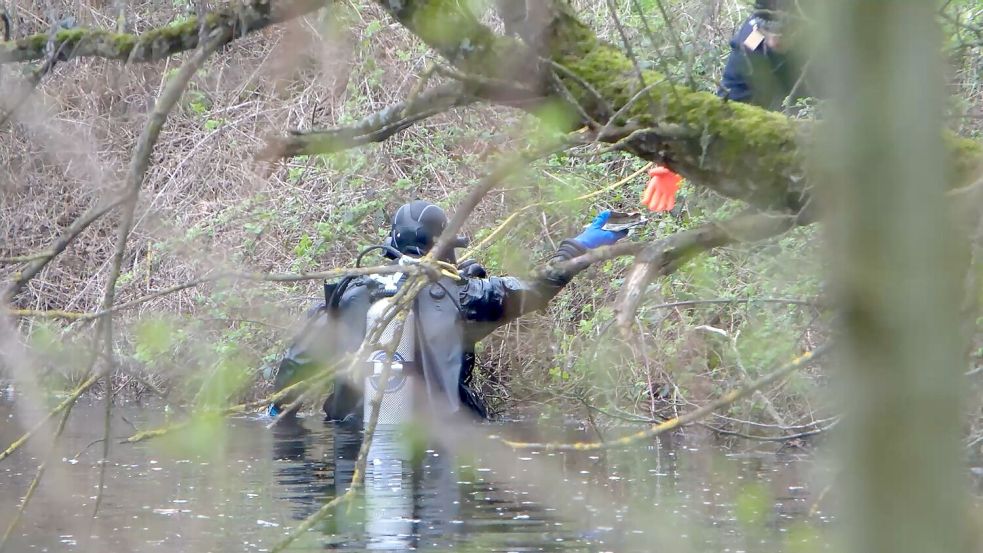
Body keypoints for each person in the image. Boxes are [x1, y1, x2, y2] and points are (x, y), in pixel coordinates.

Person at [268, 200, 628, 423]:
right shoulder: (465, 294)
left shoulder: (348, 292)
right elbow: (537, 288)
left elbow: (298, 365)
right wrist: (579, 246)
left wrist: (276, 411)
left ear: (391, 240)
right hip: (442, 436)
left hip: (356, 433)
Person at [718, 0, 810, 110]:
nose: (773, 42)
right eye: (766, 29)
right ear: (757, 26)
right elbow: (730, 101)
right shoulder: (750, 43)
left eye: (784, 32)